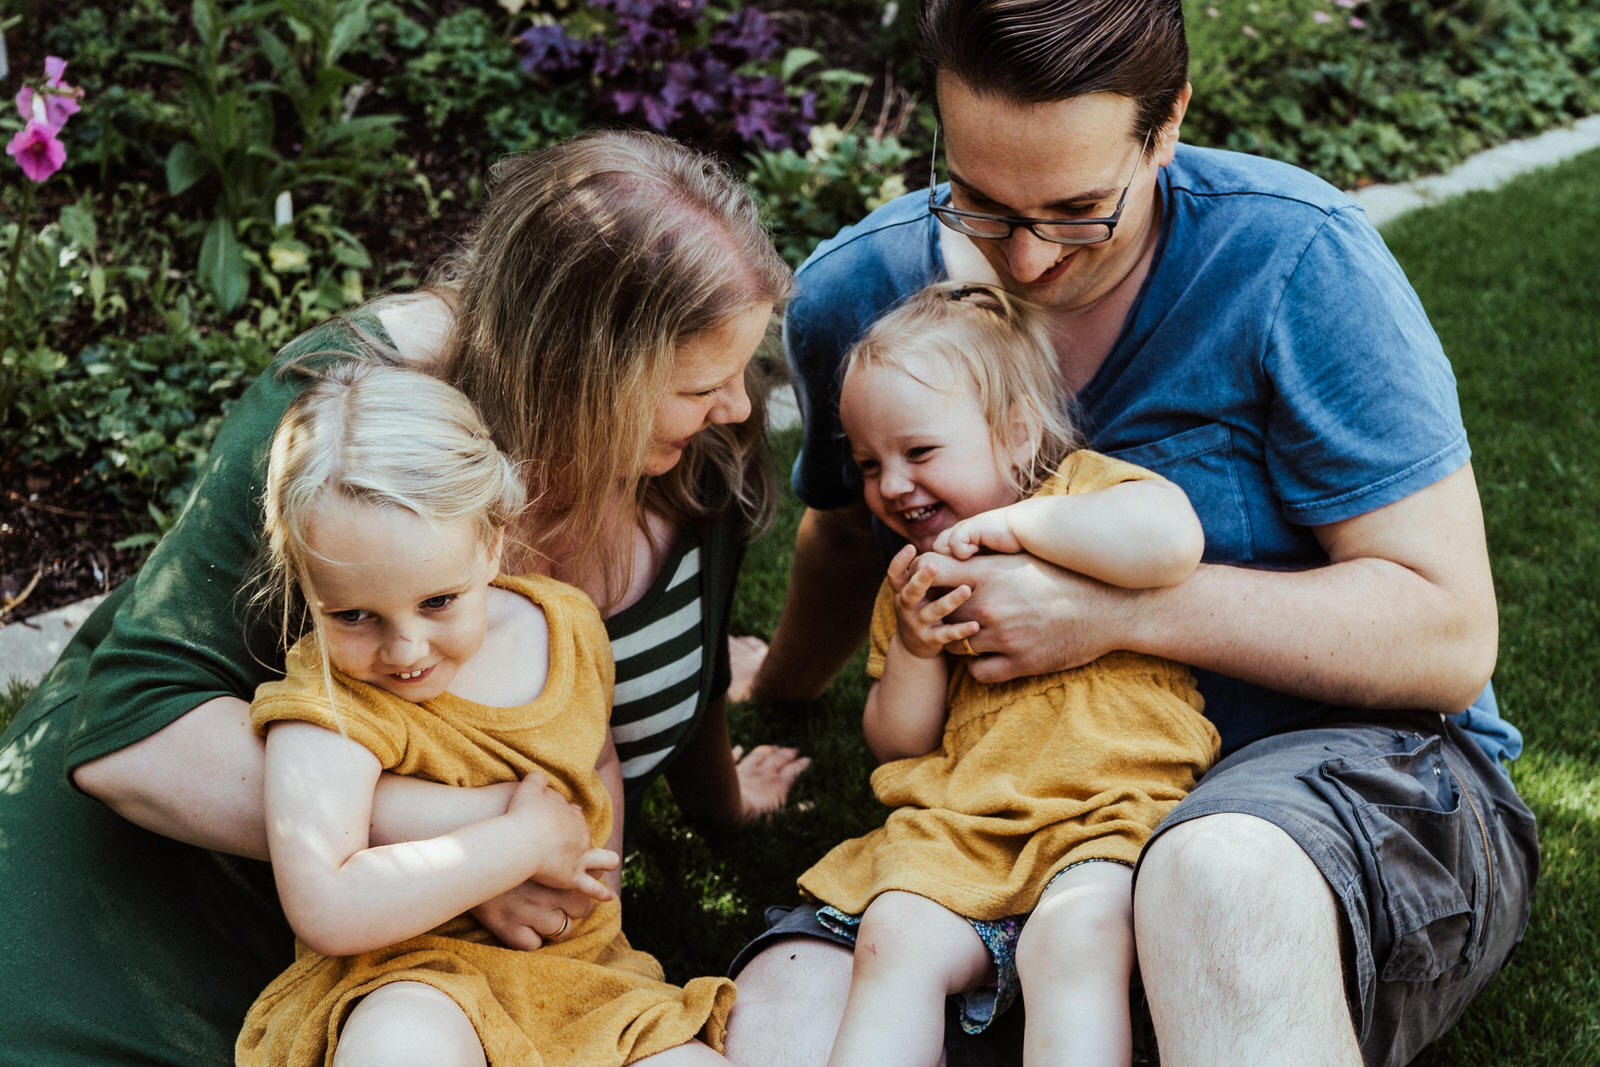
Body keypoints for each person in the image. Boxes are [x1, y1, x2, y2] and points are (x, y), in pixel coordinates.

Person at [725, 2, 1539, 1065]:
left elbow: (1443, 635)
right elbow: (844, 539)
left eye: (1074, 211)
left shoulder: (1290, 257)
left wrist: (1119, 613)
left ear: (1166, 128)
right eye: (977, 199)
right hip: (1012, 818)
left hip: (1313, 780)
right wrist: (780, 685)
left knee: (1211, 881)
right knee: (784, 1010)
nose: (1021, 260)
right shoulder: (861, 296)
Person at [0, 129, 807, 1066]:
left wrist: (722, 800)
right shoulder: (354, 432)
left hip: (537, 965)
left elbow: (674, 657)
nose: (742, 408)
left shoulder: (697, 447)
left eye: (737, 375)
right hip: (179, 921)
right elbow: (134, 729)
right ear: (586, 377)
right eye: (699, 385)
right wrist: (488, 843)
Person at [237, 362, 735, 1065]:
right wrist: (522, 843)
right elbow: (327, 901)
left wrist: (599, 888)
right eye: (353, 614)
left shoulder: (562, 626)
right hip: (408, 982)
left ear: (492, 542)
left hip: (581, 980)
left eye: (438, 600)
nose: (404, 647)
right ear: (308, 584)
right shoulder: (328, 703)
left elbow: (597, 758)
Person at [796, 281, 1219, 1067]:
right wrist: (920, 651)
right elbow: (895, 744)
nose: (892, 483)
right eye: (869, 462)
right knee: (893, 934)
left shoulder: (1081, 496)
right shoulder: (915, 583)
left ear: (1016, 433)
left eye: (919, 452)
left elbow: (1171, 542)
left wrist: (1021, 527)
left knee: (1075, 937)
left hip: (1110, 806)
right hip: (971, 826)